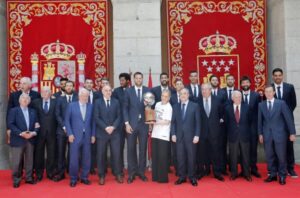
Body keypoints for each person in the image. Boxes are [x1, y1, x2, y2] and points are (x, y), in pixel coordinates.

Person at [258, 85, 296, 185]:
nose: (268, 93)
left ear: (274, 92)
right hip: (267, 135)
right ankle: (273, 174)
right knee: (269, 156)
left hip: (280, 134)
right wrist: (260, 134)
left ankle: (282, 175)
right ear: (264, 94)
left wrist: (292, 133)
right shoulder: (261, 105)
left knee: (281, 156)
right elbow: (260, 122)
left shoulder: (281, 103)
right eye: (266, 92)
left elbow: (288, 119)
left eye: (270, 91)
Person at [65, 88, 96, 187]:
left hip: (87, 136)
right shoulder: (71, 105)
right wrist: (69, 133)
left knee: (87, 158)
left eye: (87, 95)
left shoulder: (91, 106)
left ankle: (84, 177)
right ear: (79, 95)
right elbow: (67, 121)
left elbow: (93, 122)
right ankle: (73, 178)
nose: (85, 97)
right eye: (83, 95)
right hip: (74, 136)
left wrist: (93, 135)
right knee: (74, 158)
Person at [7, 93, 40, 188]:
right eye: (23, 99)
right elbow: (11, 124)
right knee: (17, 161)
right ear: (19, 100)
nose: (25, 100)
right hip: (18, 139)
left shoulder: (33, 111)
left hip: (30, 139)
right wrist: (21, 133)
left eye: (27, 99)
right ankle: (16, 179)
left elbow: (37, 125)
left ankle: (29, 178)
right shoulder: (13, 111)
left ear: (29, 101)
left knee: (29, 160)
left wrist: (33, 133)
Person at [123, 71, 150, 184]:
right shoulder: (128, 91)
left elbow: (151, 107)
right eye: (137, 78)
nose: (139, 80)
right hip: (131, 125)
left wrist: (148, 104)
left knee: (143, 149)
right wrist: (126, 123)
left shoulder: (147, 90)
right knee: (131, 149)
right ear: (134, 79)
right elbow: (124, 108)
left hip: (144, 124)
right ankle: (132, 173)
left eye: (140, 78)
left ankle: (142, 172)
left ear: (142, 79)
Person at [94, 85, 123, 185]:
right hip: (102, 132)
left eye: (109, 90)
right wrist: (106, 127)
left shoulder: (116, 101)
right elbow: (96, 117)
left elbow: (120, 116)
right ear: (102, 91)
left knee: (117, 154)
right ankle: (101, 176)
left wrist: (113, 127)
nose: (108, 92)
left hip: (115, 132)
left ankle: (118, 173)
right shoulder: (97, 102)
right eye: (106, 90)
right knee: (101, 155)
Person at [271, 68, 298, 178]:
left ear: (282, 76)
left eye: (279, 75)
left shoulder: (289, 87)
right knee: (275, 146)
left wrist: (285, 116)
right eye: (275, 75)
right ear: (273, 77)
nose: (277, 77)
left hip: (287, 123)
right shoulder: (269, 88)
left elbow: (293, 104)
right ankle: (277, 168)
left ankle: (290, 169)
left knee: (289, 146)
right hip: (274, 123)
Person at [171, 88, 200, 186]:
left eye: (184, 94)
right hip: (179, 137)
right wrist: (173, 134)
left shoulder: (195, 106)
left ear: (188, 95)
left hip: (191, 137)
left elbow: (198, 122)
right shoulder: (175, 106)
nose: (182, 95)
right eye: (181, 94)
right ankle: (182, 177)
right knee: (180, 157)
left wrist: (197, 135)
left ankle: (192, 177)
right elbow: (173, 122)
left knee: (191, 158)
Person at [197, 83, 224, 181]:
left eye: (206, 89)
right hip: (202, 132)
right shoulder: (197, 101)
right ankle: (202, 171)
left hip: (214, 132)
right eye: (202, 89)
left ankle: (217, 172)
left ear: (210, 90)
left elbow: (221, 114)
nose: (204, 91)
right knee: (201, 153)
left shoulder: (217, 100)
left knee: (215, 152)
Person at [224, 91, 252, 182]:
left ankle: (246, 174)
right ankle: (234, 173)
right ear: (232, 98)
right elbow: (226, 123)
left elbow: (250, 121)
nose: (238, 98)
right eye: (236, 97)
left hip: (245, 135)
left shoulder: (247, 107)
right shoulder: (227, 108)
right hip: (233, 135)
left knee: (246, 156)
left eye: (239, 97)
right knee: (233, 156)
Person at [54, 81, 78, 182]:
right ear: (64, 87)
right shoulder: (60, 99)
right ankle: (61, 173)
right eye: (67, 86)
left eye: (70, 86)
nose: (68, 87)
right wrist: (64, 126)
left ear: (73, 87)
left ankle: (72, 172)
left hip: (75, 131)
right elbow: (57, 114)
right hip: (62, 131)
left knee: (73, 153)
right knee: (61, 153)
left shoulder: (77, 98)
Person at [32, 87, 57, 181]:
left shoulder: (55, 102)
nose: (44, 93)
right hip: (39, 133)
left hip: (52, 132)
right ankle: (39, 173)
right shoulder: (35, 102)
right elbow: (32, 114)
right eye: (42, 91)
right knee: (39, 154)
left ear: (50, 93)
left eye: (46, 91)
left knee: (51, 153)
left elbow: (57, 115)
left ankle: (50, 172)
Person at [7, 77, 41, 144]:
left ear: (29, 85)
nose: (21, 85)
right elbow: (9, 112)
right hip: (18, 128)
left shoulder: (36, 95)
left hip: (31, 128)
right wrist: (8, 128)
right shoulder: (14, 95)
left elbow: (39, 110)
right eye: (20, 83)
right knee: (18, 151)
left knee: (30, 151)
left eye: (24, 84)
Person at [240, 76, 262, 178]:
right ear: (241, 85)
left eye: (247, 82)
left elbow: (260, 112)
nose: (245, 84)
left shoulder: (256, 95)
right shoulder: (237, 95)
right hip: (241, 128)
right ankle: (244, 169)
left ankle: (253, 168)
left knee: (253, 149)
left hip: (253, 127)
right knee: (242, 149)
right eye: (243, 83)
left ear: (250, 84)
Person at [151, 89, 172, 183]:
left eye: (166, 96)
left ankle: (163, 178)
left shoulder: (169, 107)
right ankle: (155, 177)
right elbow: (154, 116)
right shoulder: (157, 104)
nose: (164, 98)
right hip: (155, 134)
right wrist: (151, 120)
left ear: (169, 98)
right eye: (163, 95)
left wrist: (155, 122)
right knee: (155, 156)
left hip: (163, 135)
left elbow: (167, 121)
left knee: (162, 157)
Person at [112, 72, 131, 175]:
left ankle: (132, 168)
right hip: (119, 125)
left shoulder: (132, 90)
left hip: (130, 124)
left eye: (123, 80)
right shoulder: (116, 91)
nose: (121, 82)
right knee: (119, 148)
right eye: (120, 80)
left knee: (131, 147)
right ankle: (119, 169)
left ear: (128, 81)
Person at [84, 78, 101, 175]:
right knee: (84, 147)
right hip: (83, 124)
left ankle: (92, 167)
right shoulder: (79, 95)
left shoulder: (98, 95)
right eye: (87, 83)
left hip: (96, 123)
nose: (89, 84)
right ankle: (83, 166)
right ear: (84, 84)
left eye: (91, 83)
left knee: (93, 147)